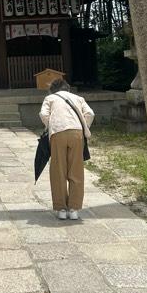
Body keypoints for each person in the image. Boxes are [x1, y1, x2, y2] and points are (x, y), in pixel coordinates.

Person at [39, 78, 94, 220]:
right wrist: (84, 127)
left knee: (59, 171)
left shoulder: (50, 98)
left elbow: (43, 114)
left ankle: (61, 209)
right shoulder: (78, 98)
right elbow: (90, 114)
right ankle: (74, 209)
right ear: (67, 89)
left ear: (53, 89)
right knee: (76, 170)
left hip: (58, 133)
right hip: (77, 133)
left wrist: (50, 126)